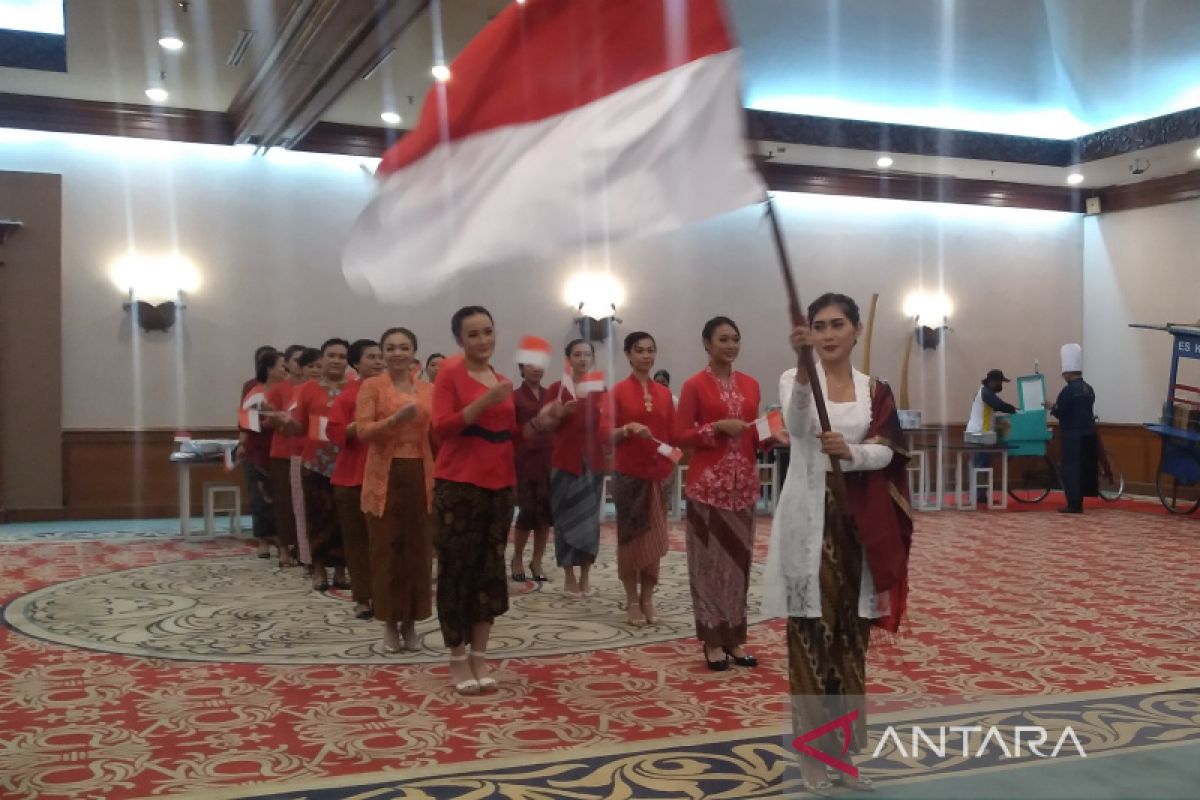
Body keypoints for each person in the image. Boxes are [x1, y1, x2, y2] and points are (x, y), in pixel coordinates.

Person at [764, 293, 912, 794]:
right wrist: (805, 371)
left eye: (837, 325)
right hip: (810, 524)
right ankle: (811, 757)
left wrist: (850, 452)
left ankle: (843, 755)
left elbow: (890, 451)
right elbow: (800, 424)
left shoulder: (877, 390)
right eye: (819, 327)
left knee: (851, 642)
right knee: (811, 639)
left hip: (860, 526)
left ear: (856, 330)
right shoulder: (794, 379)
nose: (828, 335)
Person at [430, 307, 522, 694]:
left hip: (500, 485)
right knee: (457, 570)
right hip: (459, 484)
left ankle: (480, 656)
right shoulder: (450, 373)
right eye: (473, 334)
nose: (483, 340)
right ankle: (456, 656)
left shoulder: (501, 379)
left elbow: (510, 434)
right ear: (459, 340)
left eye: (488, 331)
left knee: (489, 570)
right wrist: (484, 402)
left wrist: (548, 419)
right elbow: (442, 428)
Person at [673, 316, 761, 672]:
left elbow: (753, 431)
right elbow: (679, 434)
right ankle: (712, 641)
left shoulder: (752, 385)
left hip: (744, 488)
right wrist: (716, 427)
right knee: (708, 566)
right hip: (708, 487)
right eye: (723, 339)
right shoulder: (694, 385)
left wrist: (773, 433)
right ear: (707, 344)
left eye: (735, 339)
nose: (731, 345)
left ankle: (735, 639)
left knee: (738, 566)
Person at [357, 328, 436, 653]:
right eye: (390, 348)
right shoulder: (372, 386)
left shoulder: (428, 389)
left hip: (420, 472)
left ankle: (412, 624)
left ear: (414, 352)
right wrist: (394, 420)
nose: (397, 353)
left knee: (418, 551)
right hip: (384, 476)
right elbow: (362, 431)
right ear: (383, 352)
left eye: (404, 347)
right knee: (387, 549)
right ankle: (389, 623)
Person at [611, 331, 675, 626]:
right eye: (639, 350)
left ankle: (648, 597)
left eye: (651, 350)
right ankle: (631, 600)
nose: (646, 356)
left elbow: (674, 436)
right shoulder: (618, 392)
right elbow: (603, 435)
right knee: (631, 538)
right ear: (628, 354)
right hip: (629, 475)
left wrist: (672, 462)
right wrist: (626, 430)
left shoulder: (664, 394)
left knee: (655, 537)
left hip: (659, 475)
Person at [543, 339, 610, 597]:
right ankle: (569, 577)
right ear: (568, 358)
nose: (582, 359)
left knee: (589, 521)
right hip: (564, 461)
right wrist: (559, 414)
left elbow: (605, 424)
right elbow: (546, 425)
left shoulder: (599, 388)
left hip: (592, 461)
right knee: (564, 520)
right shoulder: (557, 389)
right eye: (577, 354)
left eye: (587, 354)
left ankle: (586, 576)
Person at [286, 338, 352, 591]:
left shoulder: (356, 388)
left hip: (347, 462)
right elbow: (300, 426)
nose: (336, 360)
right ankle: (318, 570)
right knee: (317, 517)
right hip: (315, 464)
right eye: (331, 355)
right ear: (322, 359)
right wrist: (286, 422)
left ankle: (341, 571)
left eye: (341, 356)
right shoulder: (308, 389)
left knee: (343, 518)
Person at [326, 338, 385, 620]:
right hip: (352, 478)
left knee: (387, 542)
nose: (378, 361)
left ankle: (388, 596)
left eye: (379, 356)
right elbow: (335, 432)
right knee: (357, 542)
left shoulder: (395, 392)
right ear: (356, 363)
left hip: (388, 477)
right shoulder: (348, 395)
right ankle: (363, 597)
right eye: (371, 357)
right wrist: (363, 425)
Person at [510, 360, 553, 583]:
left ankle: (537, 560)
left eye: (539, 365)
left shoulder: (550, 395)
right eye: (530, 365)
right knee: (527, 513)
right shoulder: (515, 396)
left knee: (545, 515)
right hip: (525, 460)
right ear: (521, 369)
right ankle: (517, 558)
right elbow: (510, 430)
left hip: (548, 458)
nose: (536, 369)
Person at [240, 350, 285, 558]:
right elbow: (246, 422)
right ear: (270, 369)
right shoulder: (255, 391)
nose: (285, 370)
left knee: (278, 496)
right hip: (258, 450)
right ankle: (263, 540)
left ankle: (279, 535)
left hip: (282, 448)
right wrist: (272, 421)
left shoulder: (287, 390)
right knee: (260, 496)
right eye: (282, 366)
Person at [265, 344, 307, 568]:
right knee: (284, 501)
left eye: (304, 361)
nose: (300, 365)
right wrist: (278, 418)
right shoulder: (280, 389)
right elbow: (267, 418)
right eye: (296, 360)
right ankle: (284, 546)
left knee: (305, 503)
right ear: (288, 364)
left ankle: (303, 547)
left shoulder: (314, 388)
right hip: (282, 451)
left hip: (307, 451)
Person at [1050, 343, 1098, 514]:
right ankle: (1080, 502)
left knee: (1071, 469)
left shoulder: (1068, 391)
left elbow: (1060, 411)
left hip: (1072, 436)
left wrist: (1051, 407)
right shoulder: (1089, 389)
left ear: (1068, 373)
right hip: (1088, 434)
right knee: (1083, 469)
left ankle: (1073, 504)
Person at [965, 369, 1017, 503]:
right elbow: (999, 405)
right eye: (1000, 382)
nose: (1001, 386)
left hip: (981, 434)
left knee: (981, 465)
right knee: (980, 465)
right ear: (992, 381)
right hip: (979, 434)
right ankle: (978, 496)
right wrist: (1014, 410)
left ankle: (979, 495)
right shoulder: (986, 393)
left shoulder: (984, 391)